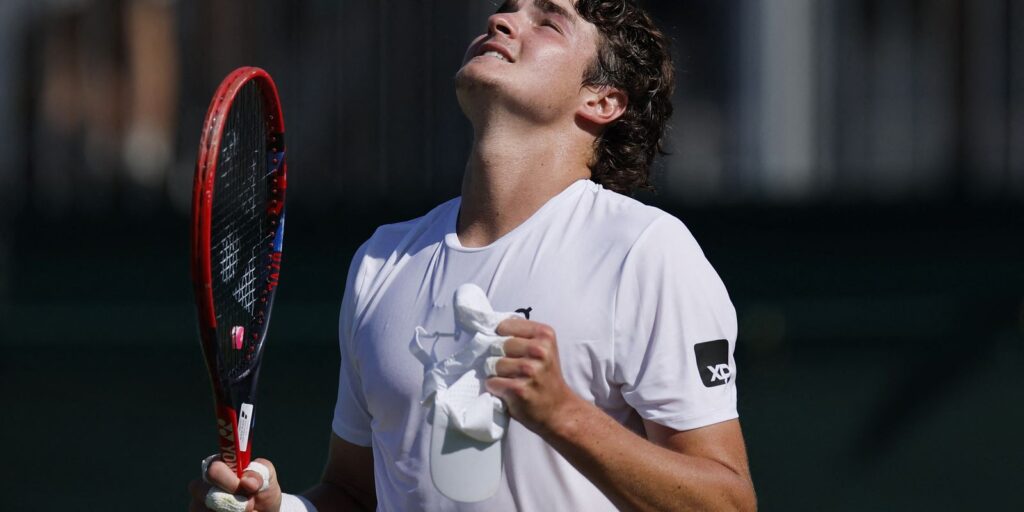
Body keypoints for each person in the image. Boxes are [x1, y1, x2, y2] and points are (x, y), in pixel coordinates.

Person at [190, 0, 756, 510]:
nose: (501, 20)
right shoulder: (381, 260)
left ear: (602, 100)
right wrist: (282, 510)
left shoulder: (645, 251)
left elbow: (727, 503)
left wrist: (563, 413)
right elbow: (356, 493)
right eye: (508, 8)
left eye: (548, 21)